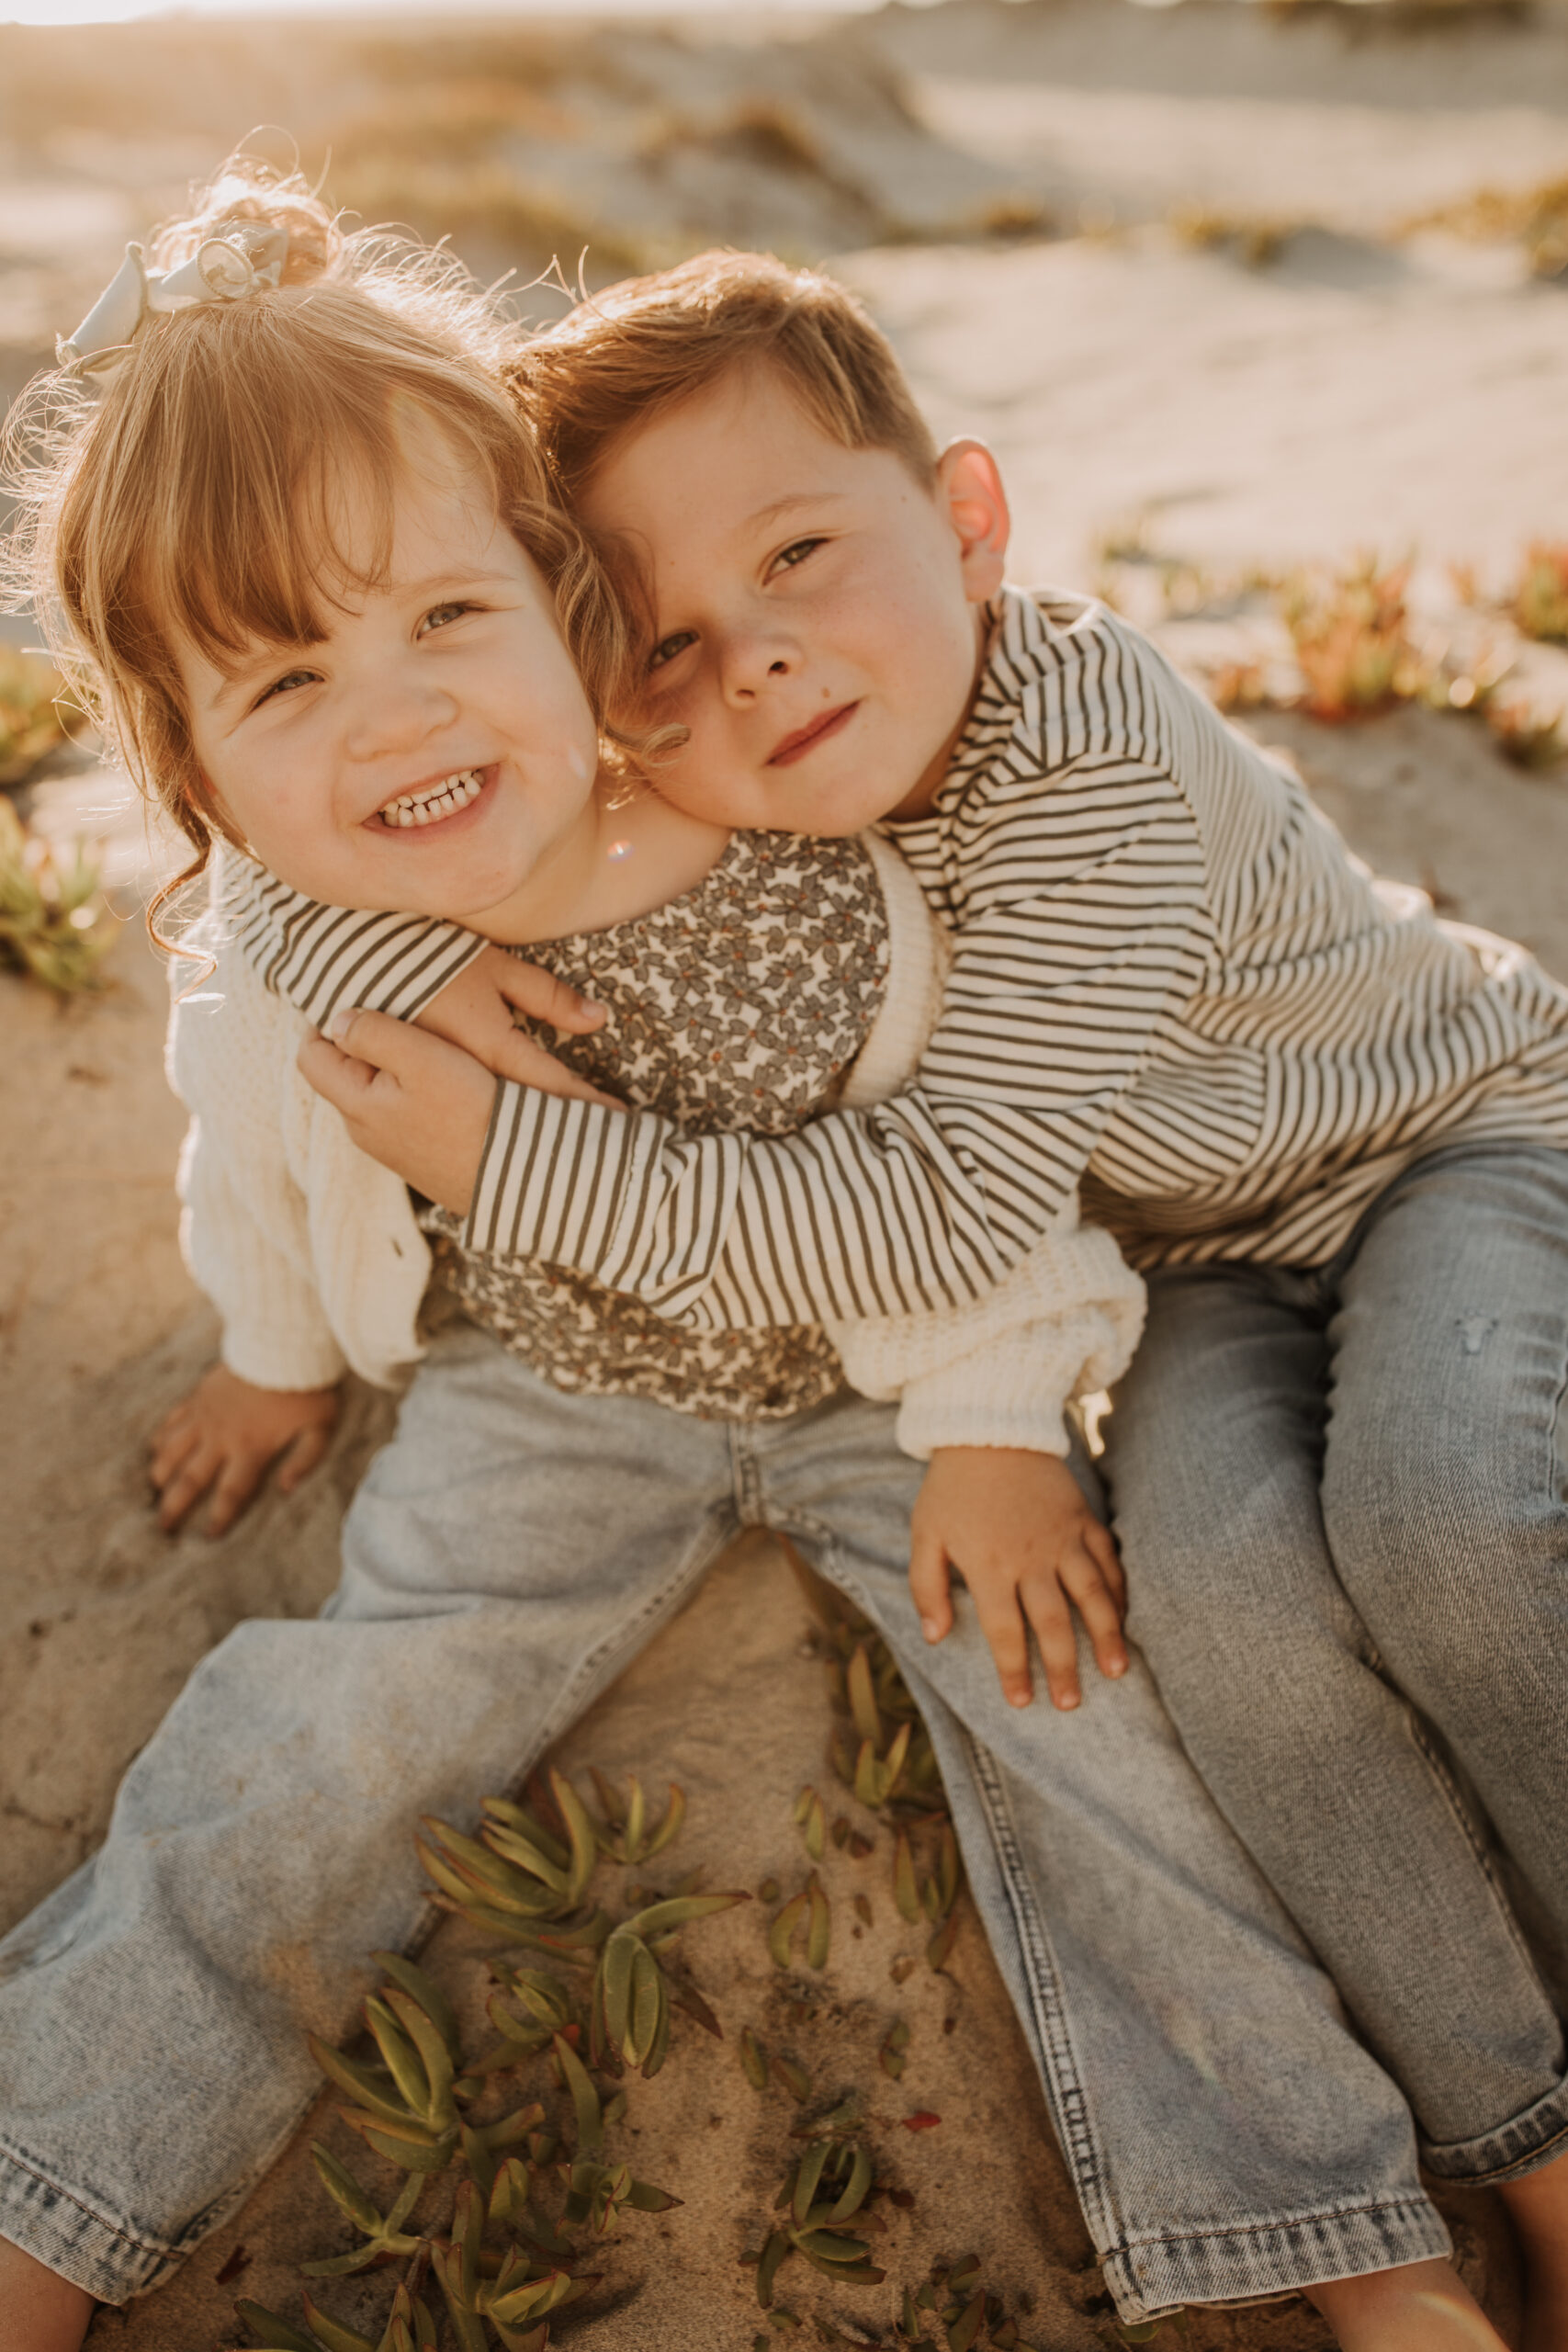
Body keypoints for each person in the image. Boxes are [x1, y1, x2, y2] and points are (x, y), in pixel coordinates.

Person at [0, 167, 1433, 2352]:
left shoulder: (785, 832)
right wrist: (282, 1359)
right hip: (539, 1399)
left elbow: (967, 1170)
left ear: (561, 603)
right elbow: (255, 1170)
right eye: (286, 679)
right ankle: (48, 2189)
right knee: (314, 1740)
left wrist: (985, 1423)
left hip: (876, 1378)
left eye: (446, 624)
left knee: (1101, 1739)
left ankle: (1344, 2239)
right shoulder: (299, 964)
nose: (394, 720)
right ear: (187, 763)